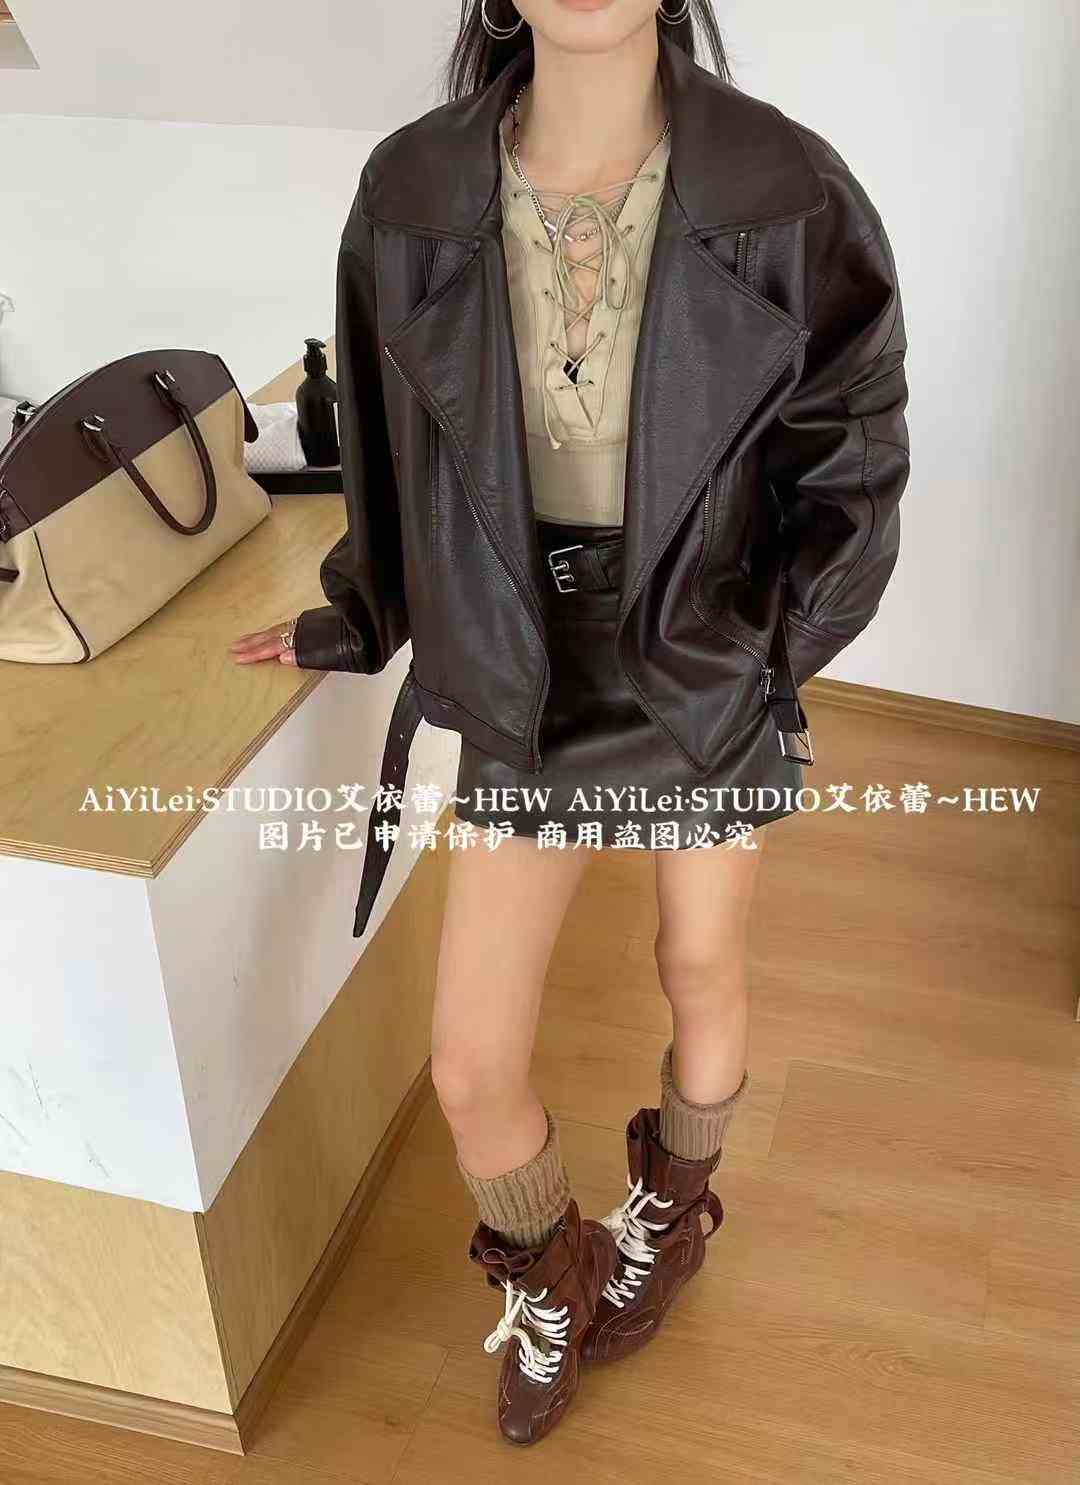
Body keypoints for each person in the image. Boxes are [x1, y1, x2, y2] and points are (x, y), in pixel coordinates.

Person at [232, 0, 909, 1448]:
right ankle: (556, 1272)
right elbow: (389, 443)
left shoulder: (785, 186)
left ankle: (672, 1210)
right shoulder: (413, 189)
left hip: (704, 648)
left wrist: (770, 650)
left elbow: (854, 444)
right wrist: (364, 610)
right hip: (519, 658)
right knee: (469, 1059)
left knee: (698, 960)